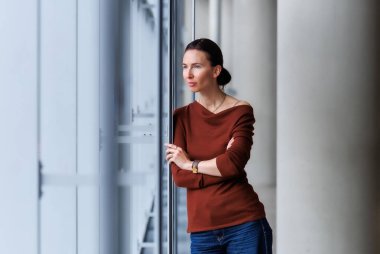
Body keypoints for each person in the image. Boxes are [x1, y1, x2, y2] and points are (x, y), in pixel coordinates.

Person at [165, 38, 272, 254]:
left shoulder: (240, 111)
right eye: (184, 67)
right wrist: (215, 165)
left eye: (197, 66)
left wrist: (190, 164)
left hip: (244, 224)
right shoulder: (180, 117)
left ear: (215, 71)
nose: (188, 74)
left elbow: (233, 164)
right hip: (202, 231)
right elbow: (179, 176)